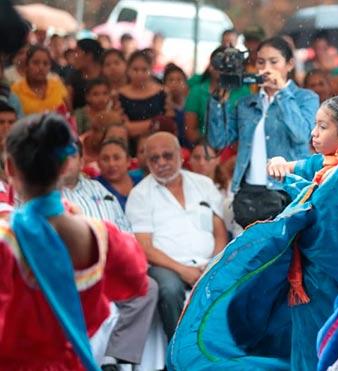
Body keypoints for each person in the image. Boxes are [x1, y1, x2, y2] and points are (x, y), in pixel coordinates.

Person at [169, 96, 338, 370]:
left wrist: (304, 194)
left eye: (322, 127)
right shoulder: (328, 165)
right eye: (315, 125)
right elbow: (306, 166)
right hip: (310, 282)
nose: (314, 133)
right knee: (308, 350)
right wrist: (284, 164)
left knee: (335, 352)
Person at [0, 113, 150, 369]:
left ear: (10, 168)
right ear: (65, 166)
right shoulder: (100, 235)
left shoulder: (6, 238)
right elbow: (136, 281)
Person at [206, 36, 319, 228]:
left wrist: (281, 92)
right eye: (260, 62)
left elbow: (301, 135)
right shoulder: (246, 103)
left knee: (283, 255)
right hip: (248, 193)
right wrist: (218, 103)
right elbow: (218, 141)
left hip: (287, 191)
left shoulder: (306, 98)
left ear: (289, 64)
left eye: (274, 62)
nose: (266, 68)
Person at [126, 132, 227, 339]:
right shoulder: (140, 194)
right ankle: (180, 354)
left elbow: (219, 231)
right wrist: (183, 270)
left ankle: (224, 355)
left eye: (167, 155)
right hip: (167, 267)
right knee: (170, 289)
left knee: (234, 279)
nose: (161, 162)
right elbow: (145, 247)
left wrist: (214, 263)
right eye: (154, 158)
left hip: (208, 263)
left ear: (181, 156)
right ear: (146, 162)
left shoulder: (204, 184)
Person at [184, 46, 250, 144]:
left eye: (230, 65)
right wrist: (210, 147)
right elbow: (190, 131)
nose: (225, 69)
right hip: (203, 147)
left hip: (234, 149)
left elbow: (246, 130)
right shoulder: (197, 91)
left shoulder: (244, 92)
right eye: (221, 64)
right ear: (211, 66)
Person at [119, 50, 171, 138]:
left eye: (144, 70)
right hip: (129, 140)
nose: (139, 74)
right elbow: (124, 126)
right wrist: (152, 124)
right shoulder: (120, 94)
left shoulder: (163, 92)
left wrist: (134, 127)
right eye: (135, 70)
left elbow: (168, 123)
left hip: (158, 139)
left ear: (151, 70)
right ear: (128, 70)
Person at [11, 45, 69, 115]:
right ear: (27, 66)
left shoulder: (58, 86)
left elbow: (69, 114)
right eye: (35, 63)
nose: (41, 67)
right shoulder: (16, 89)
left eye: (45, 64)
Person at [96, 139, 143, 211]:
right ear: (98, 163)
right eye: (105, 159)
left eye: (116, 158)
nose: (111, 164)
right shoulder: (93, 187)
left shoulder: (141, 180)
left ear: (128, 161)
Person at [66, 38, 103, 111]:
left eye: (77, 52)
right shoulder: (73, 77)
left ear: (89, 56)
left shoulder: (106, 75)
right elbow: (68, 105)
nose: (74, 57)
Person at [163, 63, 190, 147]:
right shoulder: (161, 106)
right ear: (164, 84)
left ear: (186, 84)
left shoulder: (191, 105)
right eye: (170, 80)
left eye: (179, 80)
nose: (175, 84)